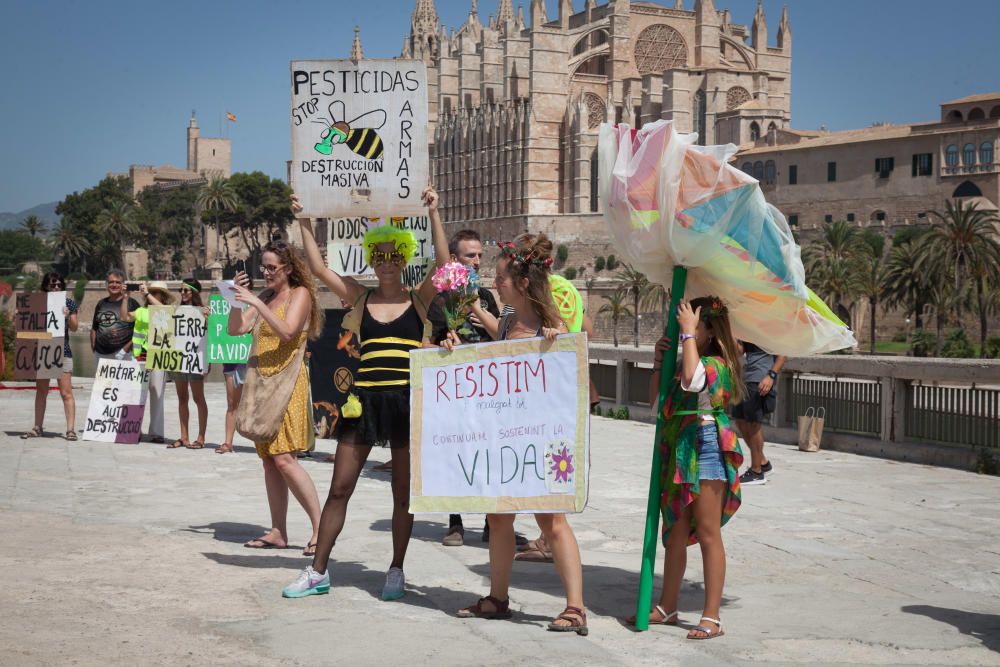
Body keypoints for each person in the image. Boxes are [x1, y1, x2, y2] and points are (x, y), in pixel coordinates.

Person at [281, 186, 448, 602]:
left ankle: (396, 568)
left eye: (395, 255)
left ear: (404, 258)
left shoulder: (419, 299)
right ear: (372, 257)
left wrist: (434, 213)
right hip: (364, 402)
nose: (387, 262)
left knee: (402, 494)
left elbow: (445, 263)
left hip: (406, 402)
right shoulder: (360, 295)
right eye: (380, 254)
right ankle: (317, 570)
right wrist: (304, 221)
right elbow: (319, 268)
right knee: (340, 488)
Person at [453, 233, 588, 636]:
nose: (497, 283)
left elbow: (570, 370)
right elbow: (496, 359)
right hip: (506, 436)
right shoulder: (510, 318)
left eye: (502, 278)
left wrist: (557, 344)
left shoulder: (553, 323)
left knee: (551, 521)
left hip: (542, 438)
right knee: (499, 517)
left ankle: (576, 607)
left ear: (523, 282)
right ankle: (497, 598)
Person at [635, 296, 744, 639]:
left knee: (709, 533)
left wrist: (685, 335)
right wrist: (658, 360)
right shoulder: (692, 359)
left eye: (694, 324)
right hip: (683, 448)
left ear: (709, 331)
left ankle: (712, 617)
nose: (687, 329)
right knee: (676, 534)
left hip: (709, 445)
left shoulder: (715, 363)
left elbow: (693, 382)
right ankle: (668, 606)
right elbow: (658, 399)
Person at [229, 240, 323, 555]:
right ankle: (278, 531)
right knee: (269, 461)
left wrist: (255, 303)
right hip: (263, 387)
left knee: (285, 459)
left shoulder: (301, 295)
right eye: (264, 267)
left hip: (287, 384)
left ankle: (321, 529)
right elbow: (236, 329)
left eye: (272, 267)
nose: (266, 273)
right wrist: (233, 300)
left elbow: (287, 331)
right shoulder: (267, 296)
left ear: (289, 268)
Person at [427, 229, 501, 547]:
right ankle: (455, 522)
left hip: (485, 391)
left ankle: (490, 520)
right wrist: (444, 343)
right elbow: (428, 343)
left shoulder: (484, 298)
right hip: (455, 393)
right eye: (471, 255)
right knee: (456, 453)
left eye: (481, 255)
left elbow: (500, 336)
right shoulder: (440, 300)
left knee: (488, 455)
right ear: (455, 260)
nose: (478, 261)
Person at [21, 272, 79, 440]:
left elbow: (75, 328)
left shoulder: (69, 303)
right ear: (45, 285)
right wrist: (22, 314)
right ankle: (37, 427)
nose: (56, 287)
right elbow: (27, 328)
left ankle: (70, 430)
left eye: (59, 284)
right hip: (43, 349)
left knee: (66, 392)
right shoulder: (37, 303)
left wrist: (68, 316)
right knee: (41, 391)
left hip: (63, 350)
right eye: (52, 284)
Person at [118, 281, 176, 444]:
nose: (154, 294)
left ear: (163, 296)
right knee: (135, 394)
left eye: (157, 292)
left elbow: (164, 311)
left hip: (158, 357)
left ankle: (156, 432)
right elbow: (124, 317)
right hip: (139, 357)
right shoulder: (141, 311)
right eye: (153, 291)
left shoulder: (167, 311)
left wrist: (146, 294)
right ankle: (133, 429)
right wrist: (125, 298)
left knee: (157, 394)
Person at [166, 279, 210, 450]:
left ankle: (201, 437)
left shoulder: (204, 311)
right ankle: (184, 437)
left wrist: (207, 319)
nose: (182, 293)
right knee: (182, 398)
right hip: (178, 359)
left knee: (198, 398)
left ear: (194, 292)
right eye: (181, 290)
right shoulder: (176, 310)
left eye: (186, 290)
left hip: (195, 359)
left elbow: (209, 336)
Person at [733, 343, 786, 485]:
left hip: (760, 378)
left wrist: (771, 376)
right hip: (747, 378)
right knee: (740, 420)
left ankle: (756, 472)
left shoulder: (772, 327)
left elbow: (782, 355)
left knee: (753, 423)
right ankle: (763, 463)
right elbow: (739, 351)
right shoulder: (749, 328)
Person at [91, 269, 139, 362]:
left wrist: (126, 348)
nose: (114, 285)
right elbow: (94, 327)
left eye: (118, 282)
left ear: (123, 285)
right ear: (107, 285)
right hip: (100, 354)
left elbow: (141, 329)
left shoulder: (131, 303)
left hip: (124, 354)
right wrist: (94, 346)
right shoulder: (101, 303)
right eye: (111, 282)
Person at [217, 362, 246, 454]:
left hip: (252, 363)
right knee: (231, 403)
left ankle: (264, 442)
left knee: (257, 403)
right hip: (231, 362)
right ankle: (228, 443)